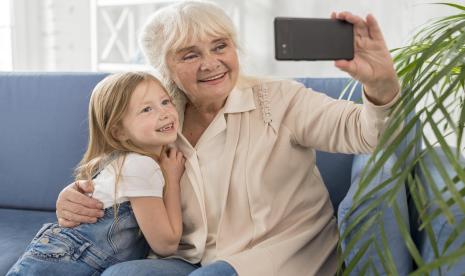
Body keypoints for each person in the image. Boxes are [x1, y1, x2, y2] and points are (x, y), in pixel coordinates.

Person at [55, 1, 401, 275]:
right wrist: (74, 195)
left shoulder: (280, 99)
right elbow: (117, 171)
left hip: (277, 257)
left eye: (220, 47)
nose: (211, 63)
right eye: (190, 55)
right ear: (165, 68)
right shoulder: (156, 119)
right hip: (190, 258)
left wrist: (380, 83)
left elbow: (367, 134)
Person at [7, 72, 185, 275]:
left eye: (165, 101)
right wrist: (172, 179)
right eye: (147, 109)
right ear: (119, 131)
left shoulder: (119, 162)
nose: (164, 113)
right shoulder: (141, 166)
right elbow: (166, 244)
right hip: (63, 263)